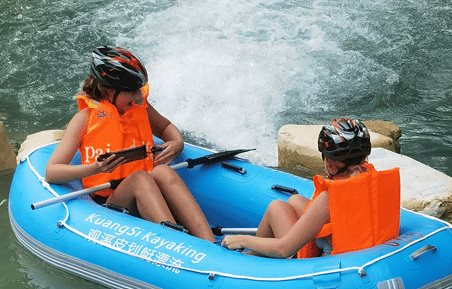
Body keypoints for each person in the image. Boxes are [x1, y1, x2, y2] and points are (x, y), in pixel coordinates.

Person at [45, 46, 215, 242]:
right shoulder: (84, 119)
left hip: (149, 191)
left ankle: (209, 243)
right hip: (111, 199)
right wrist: (95, 168)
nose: (139, 96)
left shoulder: (140, 107)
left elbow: (165, 127)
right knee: (140, 179)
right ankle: (179, 244)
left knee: (162, 171)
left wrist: (177, 142)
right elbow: (52, 172)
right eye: (132, 91)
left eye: (139, 90)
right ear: (108, 91)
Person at [221, 118, 400, 258]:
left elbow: (284, 249)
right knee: (295, 200)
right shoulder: (371, 183)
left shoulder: (328, 200)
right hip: (357, 252)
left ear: (330, 164)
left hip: (321, 264)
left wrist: (242, 239)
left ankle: (250, 257)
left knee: (276, 208)